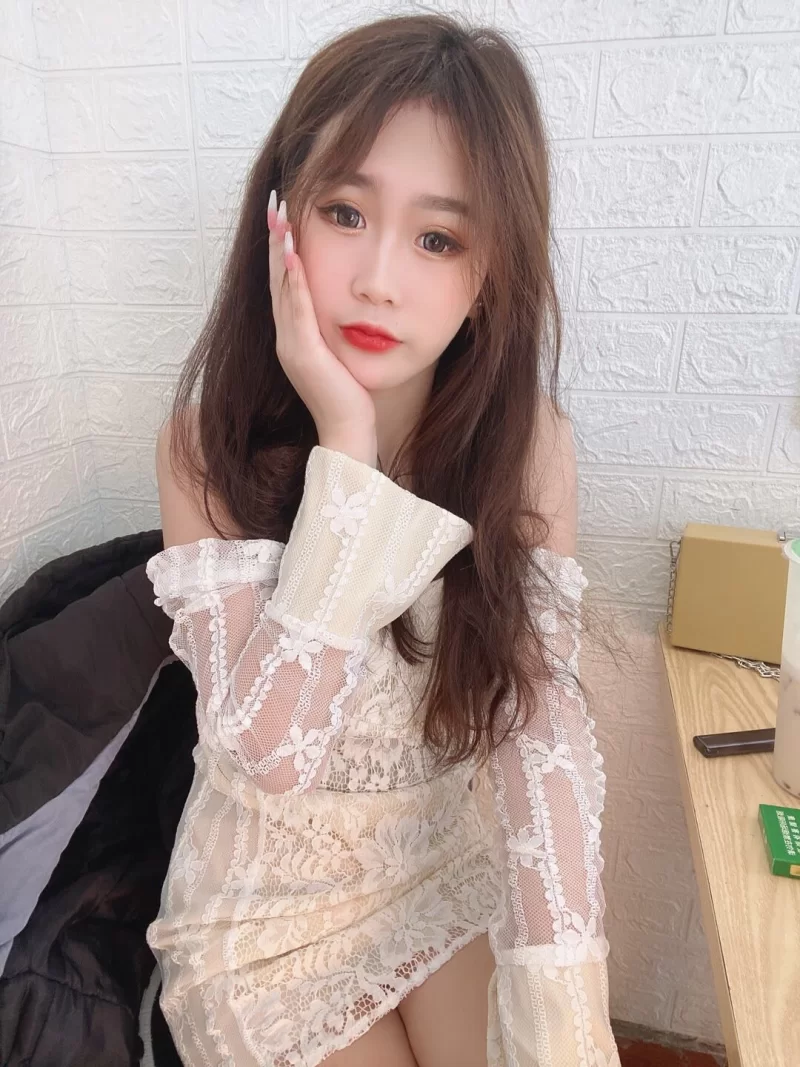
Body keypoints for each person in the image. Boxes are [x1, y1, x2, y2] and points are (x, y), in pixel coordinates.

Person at [145, 12, 621, 1067]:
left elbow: (538, 738)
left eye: (437, 238)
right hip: (260, 926)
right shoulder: (202, 448)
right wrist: (347, 453)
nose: (377, 278)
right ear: (280, 220)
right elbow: (270, 755)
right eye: (345, 212)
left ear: (490, 269)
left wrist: (566, 1004)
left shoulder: (528, 446)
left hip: (437, 875)